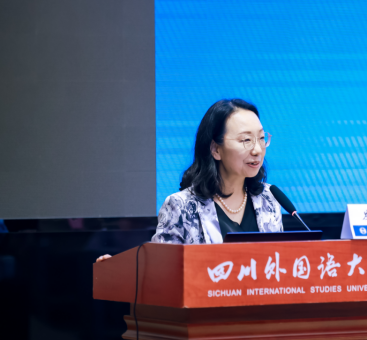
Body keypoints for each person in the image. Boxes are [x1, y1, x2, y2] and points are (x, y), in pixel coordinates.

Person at [96, 98, 282, 262]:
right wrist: (122, 269)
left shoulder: (269, 199)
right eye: (246, 140)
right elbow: (160, 270)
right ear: (216, 149)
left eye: (261, 138)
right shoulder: (181, 206)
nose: (258, 150)